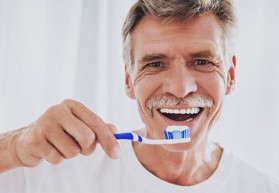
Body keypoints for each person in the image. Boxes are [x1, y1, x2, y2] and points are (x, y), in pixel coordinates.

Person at [0, 0, 279, 192]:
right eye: (155, 64)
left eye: (202, 61)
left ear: (229, 75)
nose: (181, 89)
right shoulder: (55, 169)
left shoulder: (263, 188)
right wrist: (12, 149)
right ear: (128, 80)